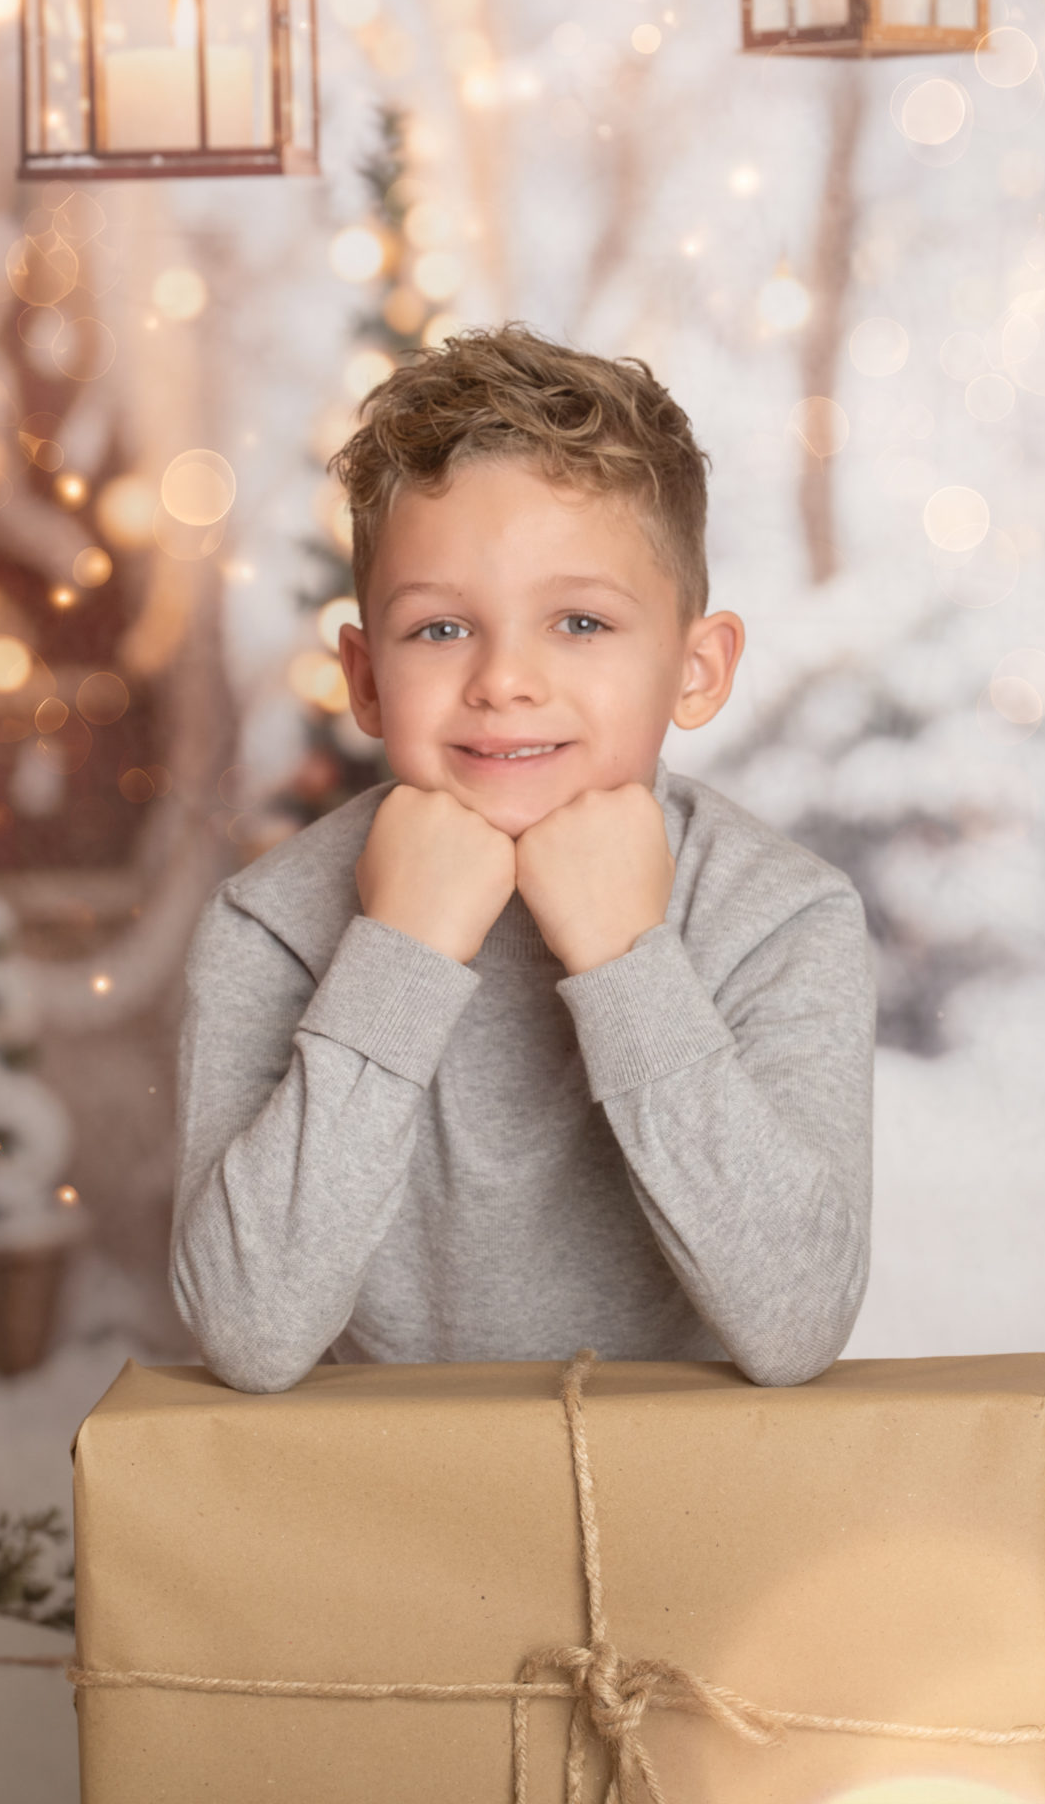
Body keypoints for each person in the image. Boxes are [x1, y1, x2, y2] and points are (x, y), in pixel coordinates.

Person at [169, 323, 875, 1392]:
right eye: (441, 630)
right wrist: (397, 953)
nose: (505, 679)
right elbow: (249, 1333)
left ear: (696, 668)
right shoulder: (268, 925)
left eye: (579, 621)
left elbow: (795, 1323)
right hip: (377, 1521)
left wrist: (627, 956)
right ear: (364, 676)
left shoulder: (783, 915)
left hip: (688, 1517)